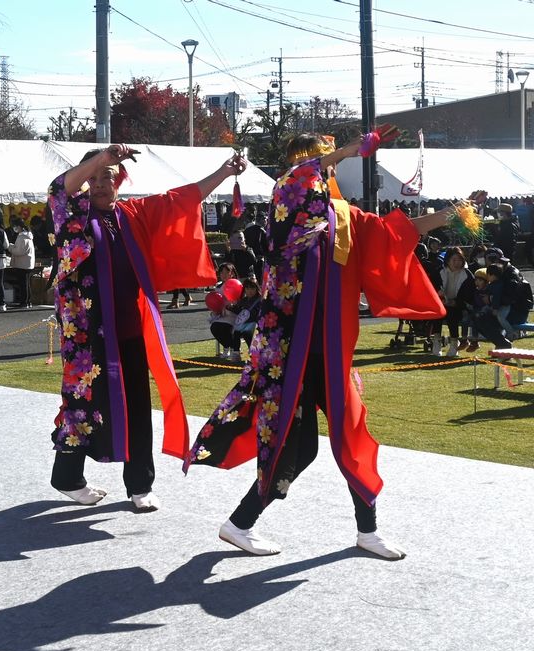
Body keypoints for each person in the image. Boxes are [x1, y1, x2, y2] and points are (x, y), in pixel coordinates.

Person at [188, 131, 453, 561]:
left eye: (323, 162)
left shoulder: (343, 218)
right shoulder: (286, 204)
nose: (322, 168)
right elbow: (295, 178)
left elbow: (392, 234)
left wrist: (448, 214)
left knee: (347, 437)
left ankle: (364, 530)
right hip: (288, 353)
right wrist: (348, 150)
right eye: (315, 161)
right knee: (299, 446)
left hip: (328, 353)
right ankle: (240, 523)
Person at [47, 144, 246, 511]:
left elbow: (180, 200)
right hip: (88, 337)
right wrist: (100, 158)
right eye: (93, 178)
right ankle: (68, 477)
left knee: (138, 406)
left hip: (131, 330)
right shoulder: (73, 216)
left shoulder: (131, 214)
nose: (101, 184)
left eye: (107, 176)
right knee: (83, 405)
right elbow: (59, 189)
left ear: (119, 180)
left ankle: (140, 485)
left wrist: (223, 172)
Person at [436, 247, 472, 357]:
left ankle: (454, 343)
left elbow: (469, 296)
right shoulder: (440, 271)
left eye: (459, 260)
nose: (457, 263)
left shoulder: (467, 274)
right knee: (437, 312)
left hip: (460, 305)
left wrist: (455, 302)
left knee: (452, 313)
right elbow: (433, 286)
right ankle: (436, 342)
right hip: (442, 302)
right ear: (447, 260)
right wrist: (440, 296)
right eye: (454, 260)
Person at [7, 219, 36, 308]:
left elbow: (19, 251)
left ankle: (24, 302)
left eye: (15, 226)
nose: (14, 228)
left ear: (19, 227)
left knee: (23, 284)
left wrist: (10, 247)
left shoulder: (22, 237)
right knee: (26, 283)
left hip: (22, 264)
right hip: (27, 263)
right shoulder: (27, 236)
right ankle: (28, 301)